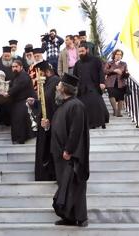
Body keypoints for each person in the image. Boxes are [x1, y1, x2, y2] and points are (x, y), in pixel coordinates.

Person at [48, 73, 90, 227]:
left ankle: (80, 217)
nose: (57, 87)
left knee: (75, 186)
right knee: (66, 186)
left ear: (64, 88)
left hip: (70, 156)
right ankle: (69, 217)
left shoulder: (76, 105)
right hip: (61, 155)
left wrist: (69, 150)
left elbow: (76, 130)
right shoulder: (63, 105)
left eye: (59, 85)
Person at [27, 62, 60, 181]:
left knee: (48, 149)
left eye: (39, 73)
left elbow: (51, 102)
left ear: (46, 72)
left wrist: (49, 120)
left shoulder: (55, 81)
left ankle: (49, 174)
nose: (37, 77)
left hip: (50, 122)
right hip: (44, 122)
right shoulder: (46, 83)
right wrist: (34, 102)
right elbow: (43, 102)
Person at [74, 43, 109, 129]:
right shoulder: (77, 63)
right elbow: (75, 76)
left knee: (96, 104)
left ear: (87, 50)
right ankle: (86, 124)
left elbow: (101, 72)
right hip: (82, 88)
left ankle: (99, 122)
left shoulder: (96, 60)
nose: (81, 53)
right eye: (79, 52)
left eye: (82, 51)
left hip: (94, 86)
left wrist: (102, 82)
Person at [3, 60, 36, 144]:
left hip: (23, 102)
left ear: (21, 67)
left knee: (19, 121)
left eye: (16, 66)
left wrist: (8, 93)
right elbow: (11, 84)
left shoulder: (24, 76)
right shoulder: (16, 76)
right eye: (13, 67)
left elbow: (18, 86)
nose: (14, 68)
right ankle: (17, 139)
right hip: (17, 102)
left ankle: (20, 139)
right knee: (16, 121)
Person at [104, 49, 129, 117]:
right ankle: (115, 110)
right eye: (117, 54)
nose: (118, 56)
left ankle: (119, 112)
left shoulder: (124, 64)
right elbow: (105, 71)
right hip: (110, 82)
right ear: (114, 55)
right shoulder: (109, 63)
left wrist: (126, 73)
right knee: (111, 95)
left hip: (121, 82)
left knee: (121, 97)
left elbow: (126, 73)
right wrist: (114, 70)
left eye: (120, 54)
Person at [0, 46, 15, 126]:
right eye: (5, 56)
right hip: (1, 89)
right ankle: (3, 122)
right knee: (2, 107)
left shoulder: (15, 64)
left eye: (8, 56)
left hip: (13, 88)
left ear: (11, 56)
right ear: (2, 56)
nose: (7, 58)